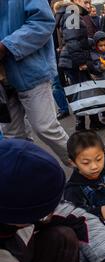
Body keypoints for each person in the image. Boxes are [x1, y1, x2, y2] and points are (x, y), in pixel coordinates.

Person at [0, 139, 80, 262]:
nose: (51, 214)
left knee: (65, 238)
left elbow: (80, 217)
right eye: (44, 212)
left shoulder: (15, 205)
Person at [0, 0, 70, 166]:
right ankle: (28, 177)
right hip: (2, 80)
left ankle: (88, 166)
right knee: (13, 137)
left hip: (31, 71)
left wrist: (6, 46)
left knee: (46, 128)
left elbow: (43, 22)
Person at [57, 0, 105, 132]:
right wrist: (80, 62)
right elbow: (72, 39)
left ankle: (90, 122)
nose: (88, 5)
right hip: (74, 60)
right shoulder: (72, 11)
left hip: (72, 58)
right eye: (85, 1)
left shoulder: (71, 11)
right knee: (82, 90)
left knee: (82, 89)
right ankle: (85, 124)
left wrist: (89, 42)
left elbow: (75, 37)